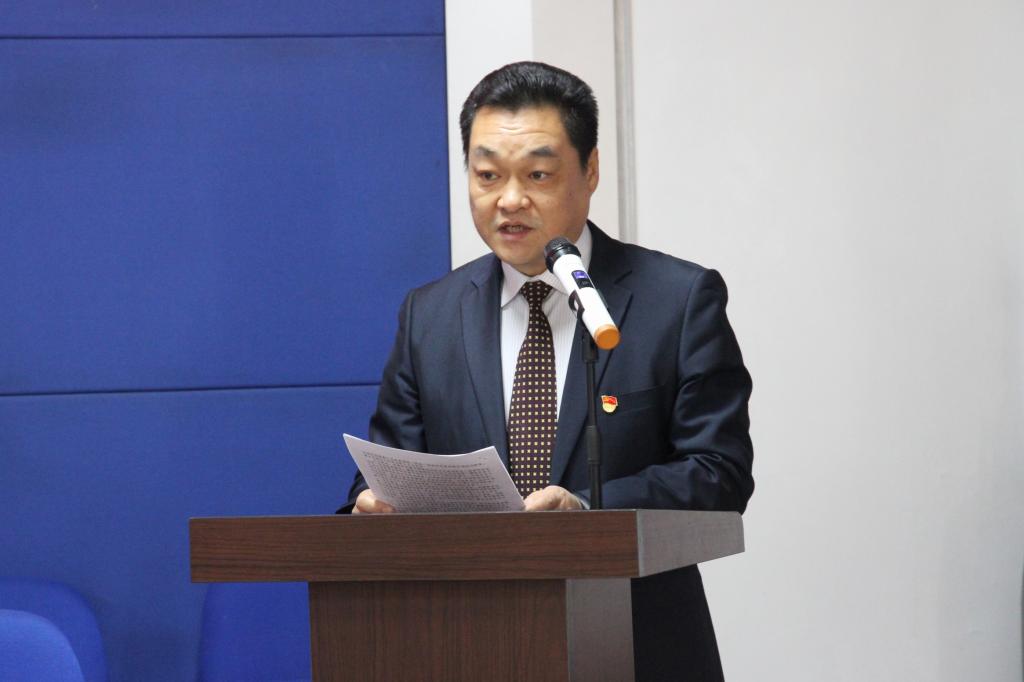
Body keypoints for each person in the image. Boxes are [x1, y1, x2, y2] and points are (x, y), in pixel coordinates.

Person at [340, 61, 753, 681]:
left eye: (537, 174)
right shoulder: (430, 315)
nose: (509, 200)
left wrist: (586, 509)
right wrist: (370, 505)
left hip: (637, 643)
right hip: (466, 644)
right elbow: (389, 466)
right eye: (487, 175)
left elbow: (719, 473)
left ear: (590, 172)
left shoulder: (677, 299)